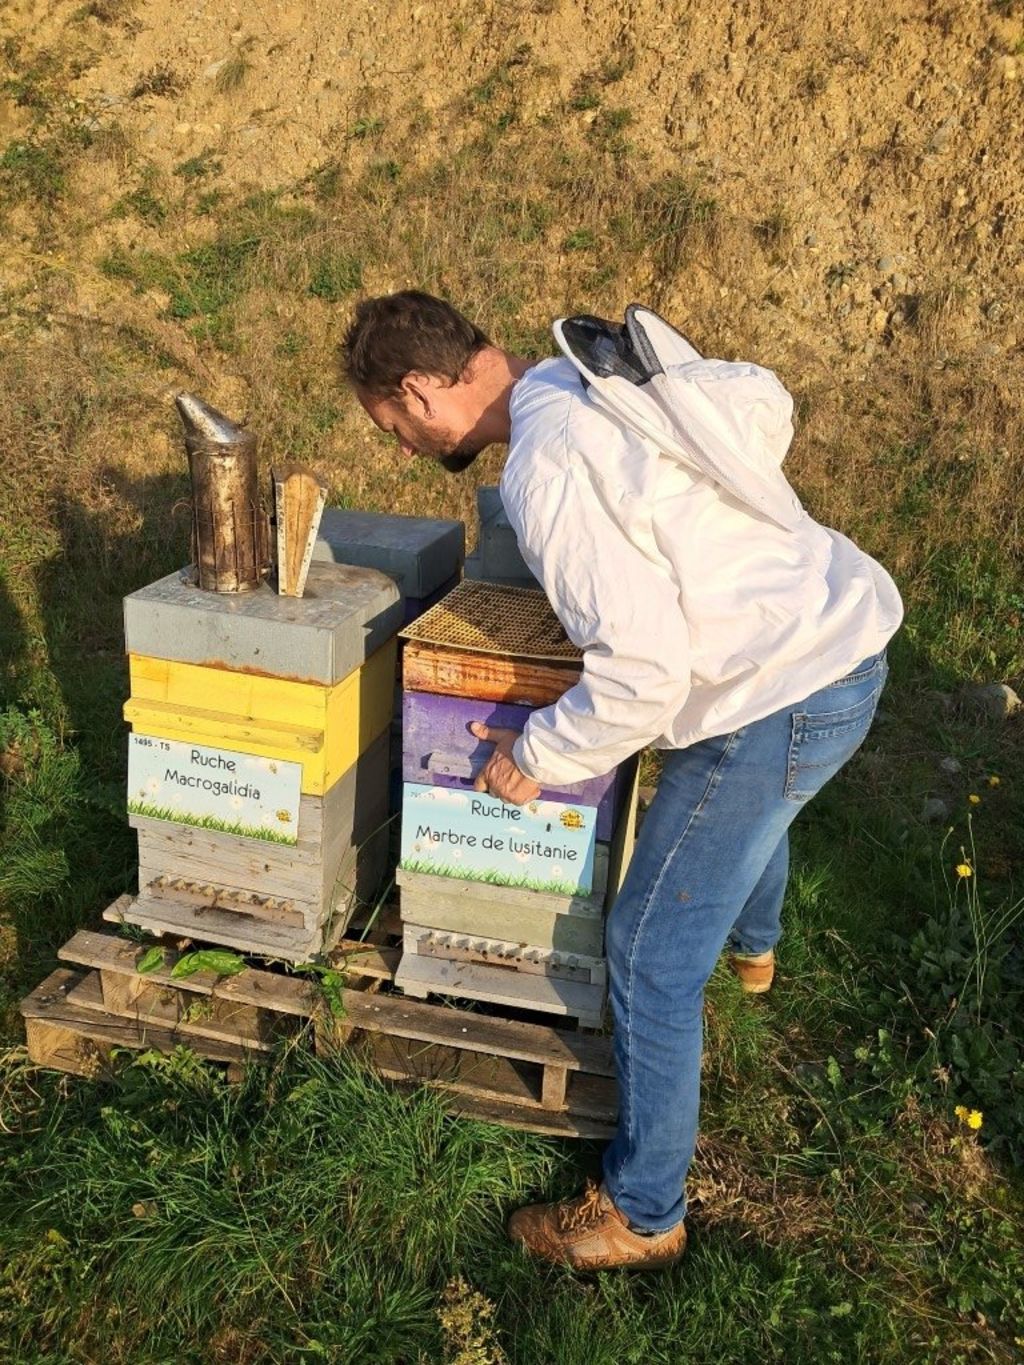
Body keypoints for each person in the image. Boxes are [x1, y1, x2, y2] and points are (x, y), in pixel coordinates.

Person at [341, 290, 903, 1271]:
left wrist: (536, 756)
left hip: (776, 694)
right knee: (746, 810)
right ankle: (756, 951)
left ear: (424, 389)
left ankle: (642, 1215)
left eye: (394, 426)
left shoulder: (548, 464)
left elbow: (643, 678)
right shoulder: (587, 377)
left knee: (648, 950)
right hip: (833, 637)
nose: (400, 449)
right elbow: (757, 402)